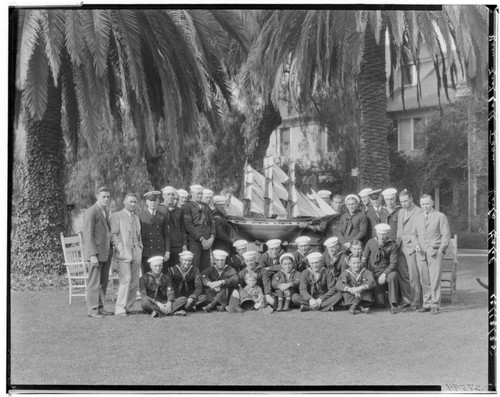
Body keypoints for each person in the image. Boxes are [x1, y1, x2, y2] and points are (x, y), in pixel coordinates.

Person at [413, 194, 451, 315]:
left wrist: (441, 250)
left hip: (435, 252)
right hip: (420, 254)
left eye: (427, 203)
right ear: (420, 204)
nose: (425, 206)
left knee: (435, 280)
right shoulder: (417, 217)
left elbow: (446, 235)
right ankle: (427, 303)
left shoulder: (440, 216)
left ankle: (435, 304)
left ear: (432, 203)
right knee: (424, 280)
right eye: (423, 204)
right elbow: (413, 234)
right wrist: (416, 245)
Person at [82, 186, 113, 318]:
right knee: (94, 282)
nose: (106, 199)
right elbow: (88, 235)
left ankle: (100, 307)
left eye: (108, 197)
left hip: (105, 252)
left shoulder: (105, 210)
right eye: (103, 197)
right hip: (96, 253)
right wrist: (92, 255)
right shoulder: (91, 212)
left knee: (103, 282)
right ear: (97, 196)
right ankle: (92, 309)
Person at [110, 193, 143, 317]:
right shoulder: (117, 216)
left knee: (134, 281)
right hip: (123, 253)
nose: (133, 204)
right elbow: (113, 235)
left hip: (136, 252)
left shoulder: (136, 217)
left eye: (135, 202)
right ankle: (120, 309)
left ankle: (128, 306)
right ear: (124, 202)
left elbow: (138, 235)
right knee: (126, 279)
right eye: (130, 201)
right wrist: (119, 247)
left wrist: (140, 246)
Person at [382, 188, 412, 311]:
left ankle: (407, 300)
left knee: (403, 274)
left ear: (395, 199)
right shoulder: (381, 211)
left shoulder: (401, 211)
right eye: (387, 199)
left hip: (399, 247)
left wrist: (399, 244)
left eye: (392, 199)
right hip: (384, 248)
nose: (389, 202)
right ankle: (387, 300)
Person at [362, 223, 399, 314]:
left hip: (387, 272)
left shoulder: (392, 245)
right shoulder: (371, 242)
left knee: (393, 275)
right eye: (379, 234)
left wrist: (384, 274)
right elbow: (364, 259)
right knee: (380, 304)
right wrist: (367, 273)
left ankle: (393, 304)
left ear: (388, 234)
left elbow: (393, 263)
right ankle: (381, 297)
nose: (382, 237)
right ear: (376, 233)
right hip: (374, 272)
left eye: (384, 234)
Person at [396, 189, 424, 311]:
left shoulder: (418, 211)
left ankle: (415, 301)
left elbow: (419, 231)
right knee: (403, 275)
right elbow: (399, 230)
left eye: (406, 201)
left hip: (412, 247)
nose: (404, 203)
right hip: (401, 247)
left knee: (414, 275)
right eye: (401, 201)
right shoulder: (401, 211)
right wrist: (397, 245)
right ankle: (406, 300)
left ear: (411, 199)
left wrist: (414, 244)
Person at [183, 184, 215, 272]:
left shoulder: (206, 206)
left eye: (201, 194)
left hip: (207, 242)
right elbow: (188, 226)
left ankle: (205, 285)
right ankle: (195, 286)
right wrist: (201, 239)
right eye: (198, 193)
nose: (200, 196)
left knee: (206, 269)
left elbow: (211, 223)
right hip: (195, 242)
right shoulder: (187, 206)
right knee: (195, 268)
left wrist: (211, 238)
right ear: (191, 193)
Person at [138, 191, 170, 275]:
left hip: (159, 251)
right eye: (151, 200)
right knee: (147, 275)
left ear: (158, 202)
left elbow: (166, 234)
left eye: (155, 200)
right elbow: (138, 235)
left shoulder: (162, 216)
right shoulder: (140, 215)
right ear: (146, 202)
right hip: (146, 251)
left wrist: (167, 251)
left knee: (160, 276)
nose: (153, 202)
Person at [157, 186, 187, 269]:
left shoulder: (179, 211)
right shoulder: (159, 210)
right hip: (165, 246)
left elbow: (183, 229)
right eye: (168, 194)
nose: (170, 197)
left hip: (178, 245)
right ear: (163, 196)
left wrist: (184, 244)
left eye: (172, 194)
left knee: (176, 271)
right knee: (164, 271)